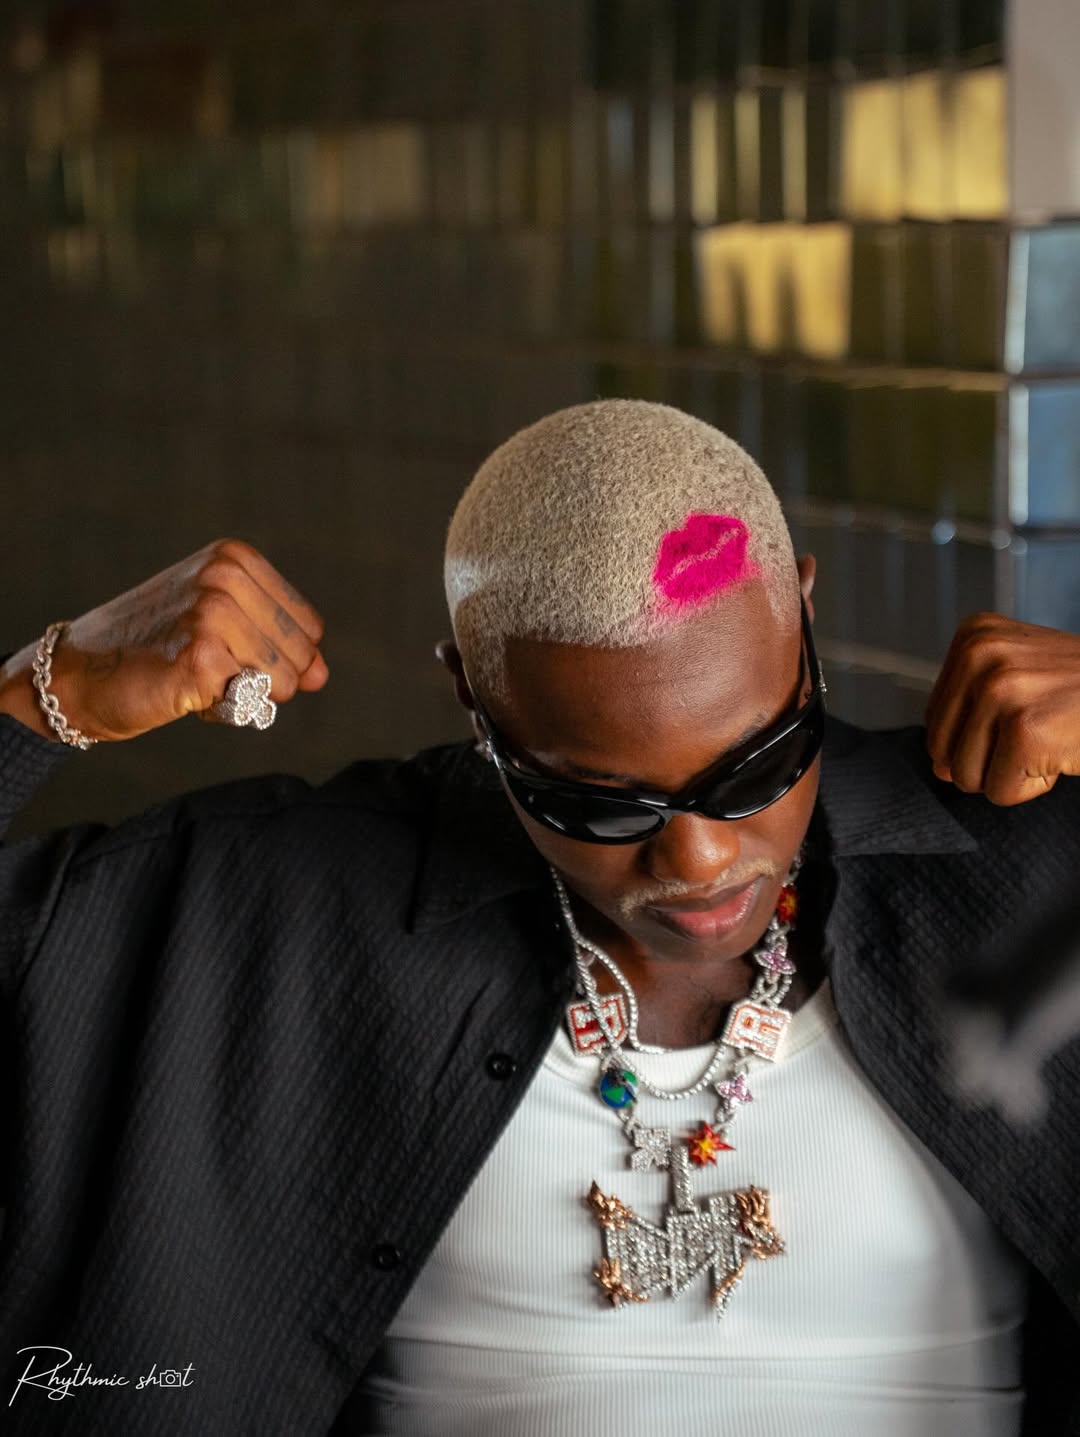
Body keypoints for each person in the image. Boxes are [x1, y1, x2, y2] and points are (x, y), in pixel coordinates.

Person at [0, 399, 1078, 1437]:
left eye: (756, 766)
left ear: (802, 612)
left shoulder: (1025, 872)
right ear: (474, 698)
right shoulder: (275, 916)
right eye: (600, 804)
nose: (699, 860)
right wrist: (43, 697)